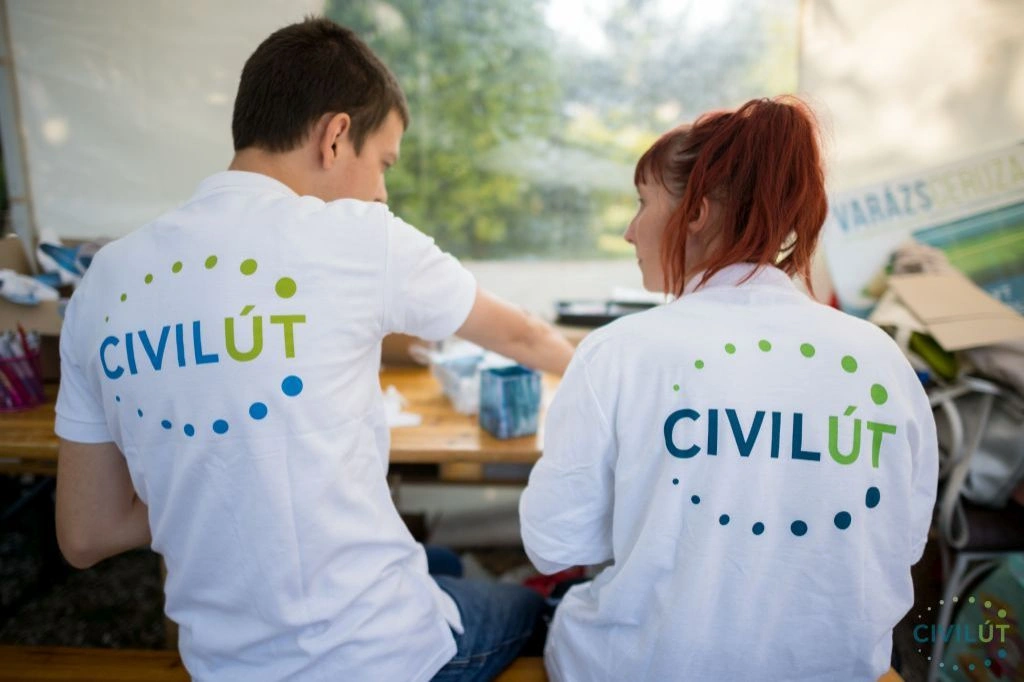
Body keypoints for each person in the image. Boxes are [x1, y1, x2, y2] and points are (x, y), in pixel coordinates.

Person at [54, 17, 573, 682]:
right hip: (376, 659)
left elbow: (86, 534)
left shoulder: (105, 281)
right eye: (383, 162)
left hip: (222, 667)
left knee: (439, 564)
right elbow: (524, 336)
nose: (382, 191)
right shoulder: (359, 236)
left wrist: (213, 479)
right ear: (334, 136)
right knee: (530, 606)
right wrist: (618, 379)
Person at [519, 97, 938, 681]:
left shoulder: (619, 351)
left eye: (642, 203)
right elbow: (901, 545)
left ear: (696, 212)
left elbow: (554, 545)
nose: (629, 231)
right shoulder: (882, 361)